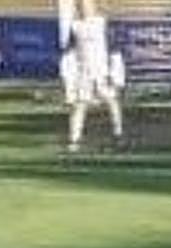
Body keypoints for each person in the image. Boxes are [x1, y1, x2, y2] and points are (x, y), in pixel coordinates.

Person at [59, 0, 125, 152]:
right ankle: (74, 140)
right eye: (80, 5)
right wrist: (69, 80)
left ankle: (118, 134)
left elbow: (114, 50)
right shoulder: (75, 27)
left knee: (112, 101)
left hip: (102, 72)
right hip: (84, 73)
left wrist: (115, 74)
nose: (83, 7)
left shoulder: (102, 24)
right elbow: (69, 53)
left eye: (86, 4)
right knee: (80, 105)